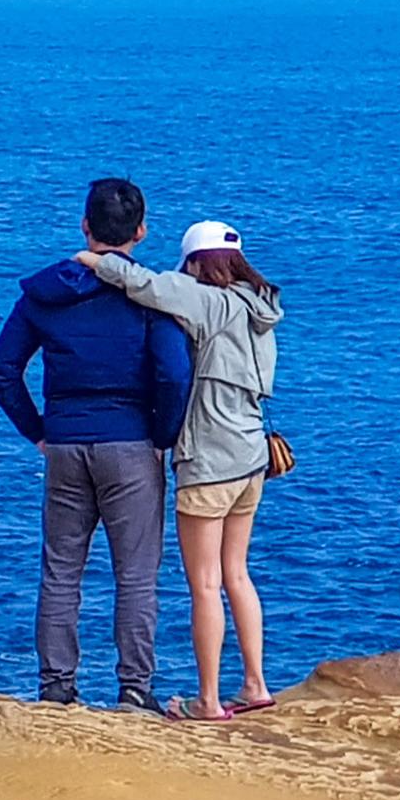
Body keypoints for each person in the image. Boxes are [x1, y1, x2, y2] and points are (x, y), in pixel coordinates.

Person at [0, 178, 192, 709]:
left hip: (65, 443)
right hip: (131, 445)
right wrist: (163, 436)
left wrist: (37, 430)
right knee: (137, 576)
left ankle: (56, 690)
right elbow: (172, 373)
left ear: (85, 226)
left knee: (60, 572)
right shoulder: (150, 295)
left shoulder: (44, 294)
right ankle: (134, 691)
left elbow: (3, 367)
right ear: (141, 232)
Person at [85, 220, 284, 719]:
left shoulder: (209, 302)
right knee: (238, 573)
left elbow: (148, 285)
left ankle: (210, 700)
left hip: (210, 462)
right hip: (251, 458)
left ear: (197, 262)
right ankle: (256, 684)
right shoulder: (259, 308)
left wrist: (92, 260)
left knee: (203, 583)